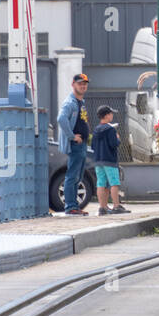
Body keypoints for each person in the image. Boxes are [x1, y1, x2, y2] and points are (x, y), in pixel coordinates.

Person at [57, 73, 91, 215]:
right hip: (75, 145)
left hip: (82, 144)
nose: (83, 86)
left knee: (78, 175)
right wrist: (72, 136)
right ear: (73, 85)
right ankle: (70, 207)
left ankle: (74, 206)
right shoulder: (70, 103)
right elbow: (61, 119)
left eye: (85, 83)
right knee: (72, 175)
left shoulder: (80, 102)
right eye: (79, 83)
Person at [91, 106, 130, 215]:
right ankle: (116, 206)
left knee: (101, 184)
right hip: (110, 161)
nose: (112, 115)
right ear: (107, 115)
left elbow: (93, 146)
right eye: (111, 113)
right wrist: (117, 138)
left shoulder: (96, 129)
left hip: (98, 161)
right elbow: (114, 144)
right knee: (114, 183)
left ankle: (102, 207)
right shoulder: (110, 129)